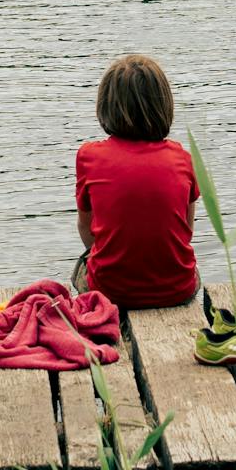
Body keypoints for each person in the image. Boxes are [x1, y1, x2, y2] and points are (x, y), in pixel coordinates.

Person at [73, 54, 198, 309]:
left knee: (81, 267)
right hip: (176, 290)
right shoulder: (183, 159)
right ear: (164, 106)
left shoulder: (89, 157)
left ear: (105, 105)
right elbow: (187, 230)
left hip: (110, 292)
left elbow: (86, 230)